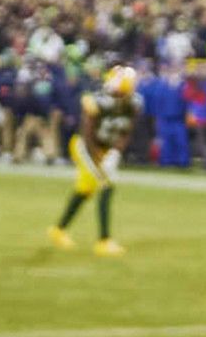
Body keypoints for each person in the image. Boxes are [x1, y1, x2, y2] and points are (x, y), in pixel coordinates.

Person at [49, 65, 140, 255]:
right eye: (119, 92)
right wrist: (98, 159)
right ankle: (104, 241)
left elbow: (125, 132)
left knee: (85, 189)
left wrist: (115, 153)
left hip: (105, 149)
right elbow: (87, 134)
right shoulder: (97, 102)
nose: (122, 96)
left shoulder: (133, 104)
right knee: (106, 185)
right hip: (84, 146)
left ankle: (58, 230)